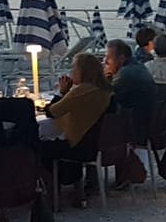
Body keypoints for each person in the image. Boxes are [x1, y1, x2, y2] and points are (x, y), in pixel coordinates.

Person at [43, 52, 115, 207]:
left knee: (40, 146)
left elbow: (52, 111)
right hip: (95, 144)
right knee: (60, 142)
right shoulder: (106, 91)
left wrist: (62, 91)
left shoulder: (80, 92)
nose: (71, 72)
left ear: (83, 72)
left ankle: (52, 196)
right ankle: (78, 192)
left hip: (79, 147)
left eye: (74, 69)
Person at [104, 38, 155, 136]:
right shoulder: (139, 67)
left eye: (109, 58)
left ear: (121, 58)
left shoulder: (124, 75)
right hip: (148, 123)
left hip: (133, 128)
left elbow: (107, 101)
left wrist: (105, 80)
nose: (105, 61)